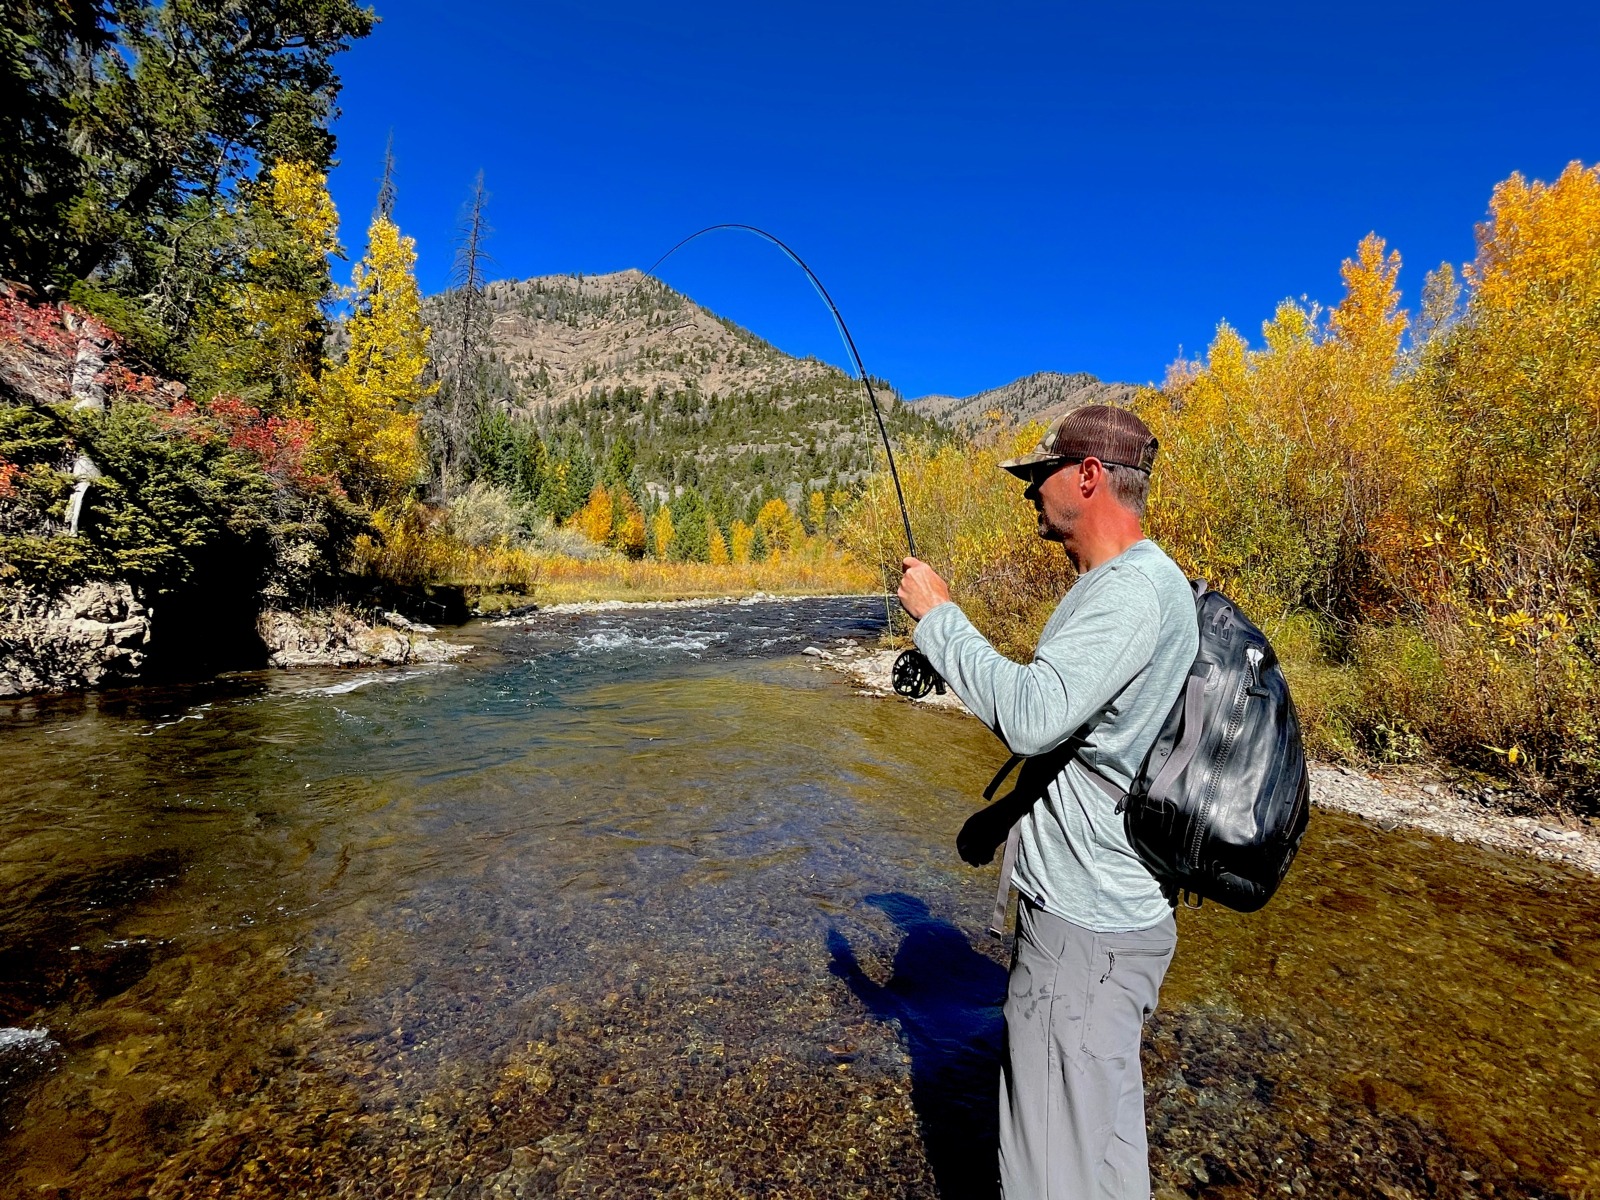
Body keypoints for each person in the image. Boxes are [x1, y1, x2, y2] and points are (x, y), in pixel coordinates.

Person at [896, 405, 1198, 1200]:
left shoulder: (1132, 592)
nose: (1031, 493)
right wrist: (1005, 817)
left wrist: (939, 619)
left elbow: (1032, 716)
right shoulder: (1129, 587)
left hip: (1086, 935)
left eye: (1041, 475)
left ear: (1089, 476)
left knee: (1046, 1175)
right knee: (1098, 1154)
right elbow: (1094, 741)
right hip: (1099, 927)